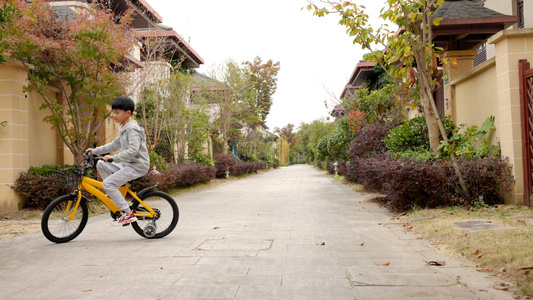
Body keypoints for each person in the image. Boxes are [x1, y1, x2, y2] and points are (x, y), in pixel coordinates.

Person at [86, 96, 150, 225]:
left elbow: (133, 150)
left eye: (117, 112)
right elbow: (113, 145)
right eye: (113, 112)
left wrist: (113, 158)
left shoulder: (132, 129)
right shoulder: (124, 128)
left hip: (137, 166)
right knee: (100, 164)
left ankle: (127, 213)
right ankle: (115, 194)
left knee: (108, 183)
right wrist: (94, 151)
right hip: (127, 164)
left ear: (128, 113)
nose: (114, 115)